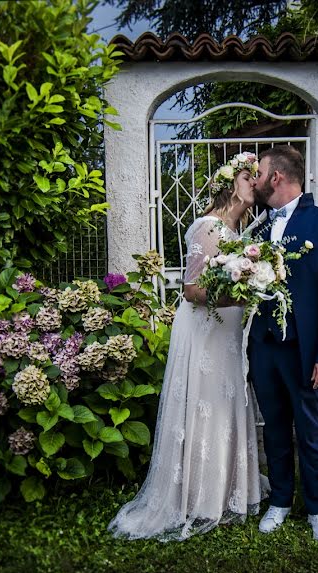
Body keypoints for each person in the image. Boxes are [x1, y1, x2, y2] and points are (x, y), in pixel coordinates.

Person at [108, 154, 267, 541]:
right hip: (205, 332)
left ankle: (228, 491)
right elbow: (193, 290)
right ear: (232, 184)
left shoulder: (240, 234)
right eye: (250, 178)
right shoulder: (208, 227)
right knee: (205, 404)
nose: (256, 184)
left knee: (226, 403)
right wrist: (243, 295)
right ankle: (198, 497)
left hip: (226, 334)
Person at [247, 145, 318, 542]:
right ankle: (279, 501)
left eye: (258, 173)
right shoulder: (255, 230)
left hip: (306, 351)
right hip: (264, 347)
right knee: (273, 428)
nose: (254, 180)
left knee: (311, 431)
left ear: (276, 177)